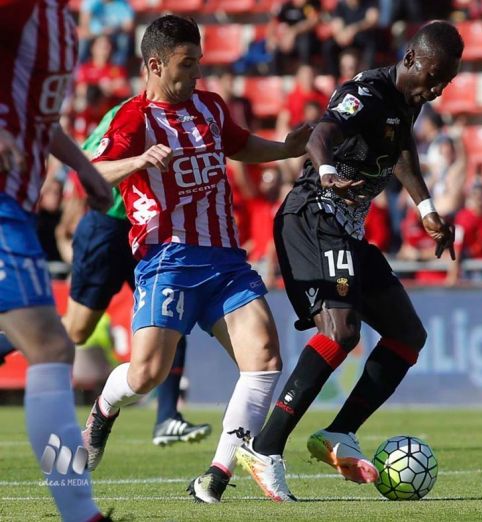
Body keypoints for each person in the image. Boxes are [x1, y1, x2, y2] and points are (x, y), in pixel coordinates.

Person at [79, 15, 310, 504]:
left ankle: (217, 475)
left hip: (225, 260)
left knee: (265, 359)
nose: (197, 74)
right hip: (167, 259)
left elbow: (241, 144)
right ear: (156, 65)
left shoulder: (209, 105)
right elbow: (93, 173)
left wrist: (284, 149)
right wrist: (137, 161)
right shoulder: (133, 118)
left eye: (200, 62)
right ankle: (103, 409)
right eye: (187, 64)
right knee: (146, 375)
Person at [236, 20, 461, 502]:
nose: (439, 89)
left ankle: (339, 433)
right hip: (313, 215)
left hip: (347, 230)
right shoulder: (366, 91)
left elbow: (400, 149)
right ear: (411, 60)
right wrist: (330, 170)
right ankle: (265, 447)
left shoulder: (408, 101)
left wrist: (426, 208)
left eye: (448, 81)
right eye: (435, 77)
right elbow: (322, 133)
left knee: (407, 334)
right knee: (341, 330)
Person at [0, 1, 113, 521]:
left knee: (49, 348)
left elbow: (37, 119)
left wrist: (84, 168)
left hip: (16, 206)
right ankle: (80, 513)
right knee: (50, 347)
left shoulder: (59, 23)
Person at [63, 105, 213, 447]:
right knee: (76, 330)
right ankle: (7, 342)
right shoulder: (126, 113)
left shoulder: (183, 116)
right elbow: (88, 162)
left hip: (148, 231)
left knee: (171, 320)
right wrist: (138, 161)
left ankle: (167, 417)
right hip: (107, 226)